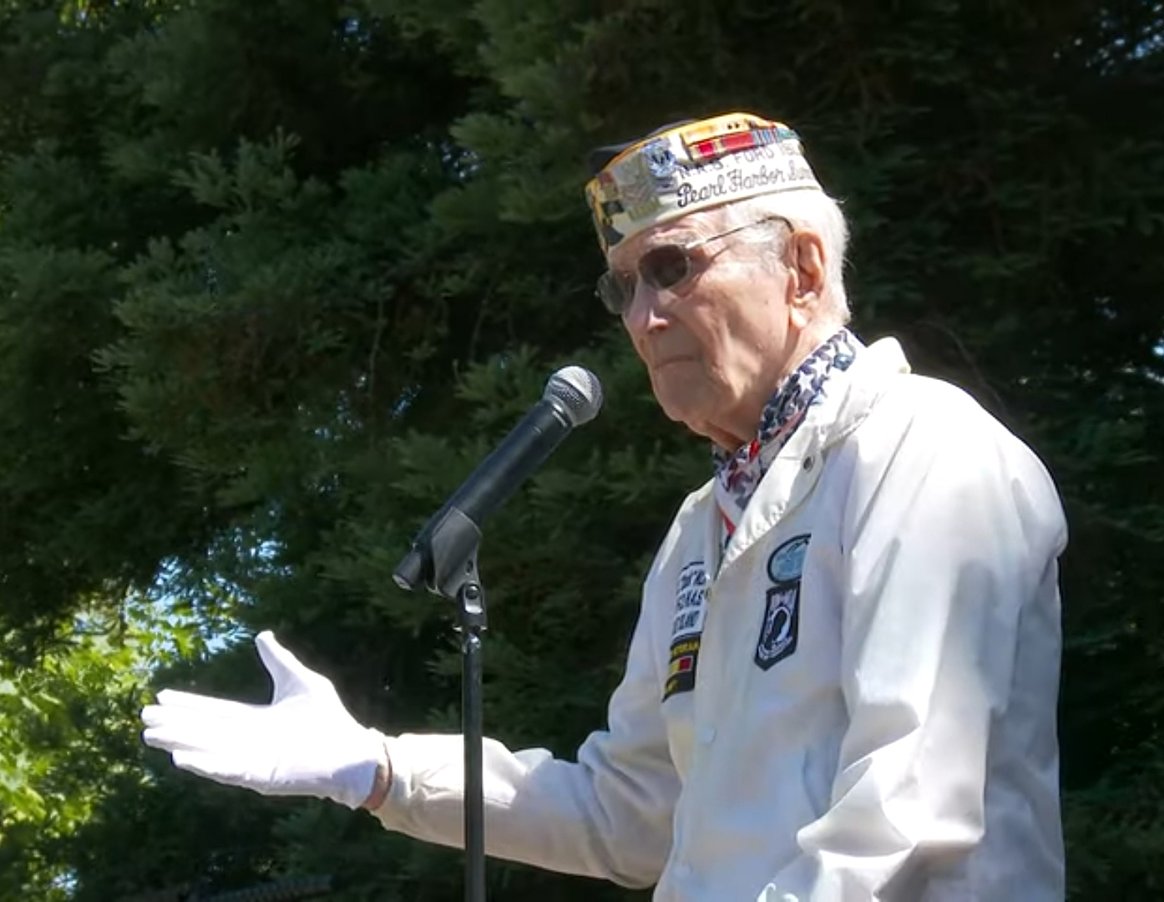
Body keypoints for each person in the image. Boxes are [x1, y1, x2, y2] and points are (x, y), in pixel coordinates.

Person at [142, 112, 1068, 901]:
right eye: (623, 286)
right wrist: (376, 769)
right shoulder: (701, 528)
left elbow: (906, 818)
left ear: (804, 268)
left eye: (672, 266)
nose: (640, 316)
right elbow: (630, 814)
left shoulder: (923, 447)